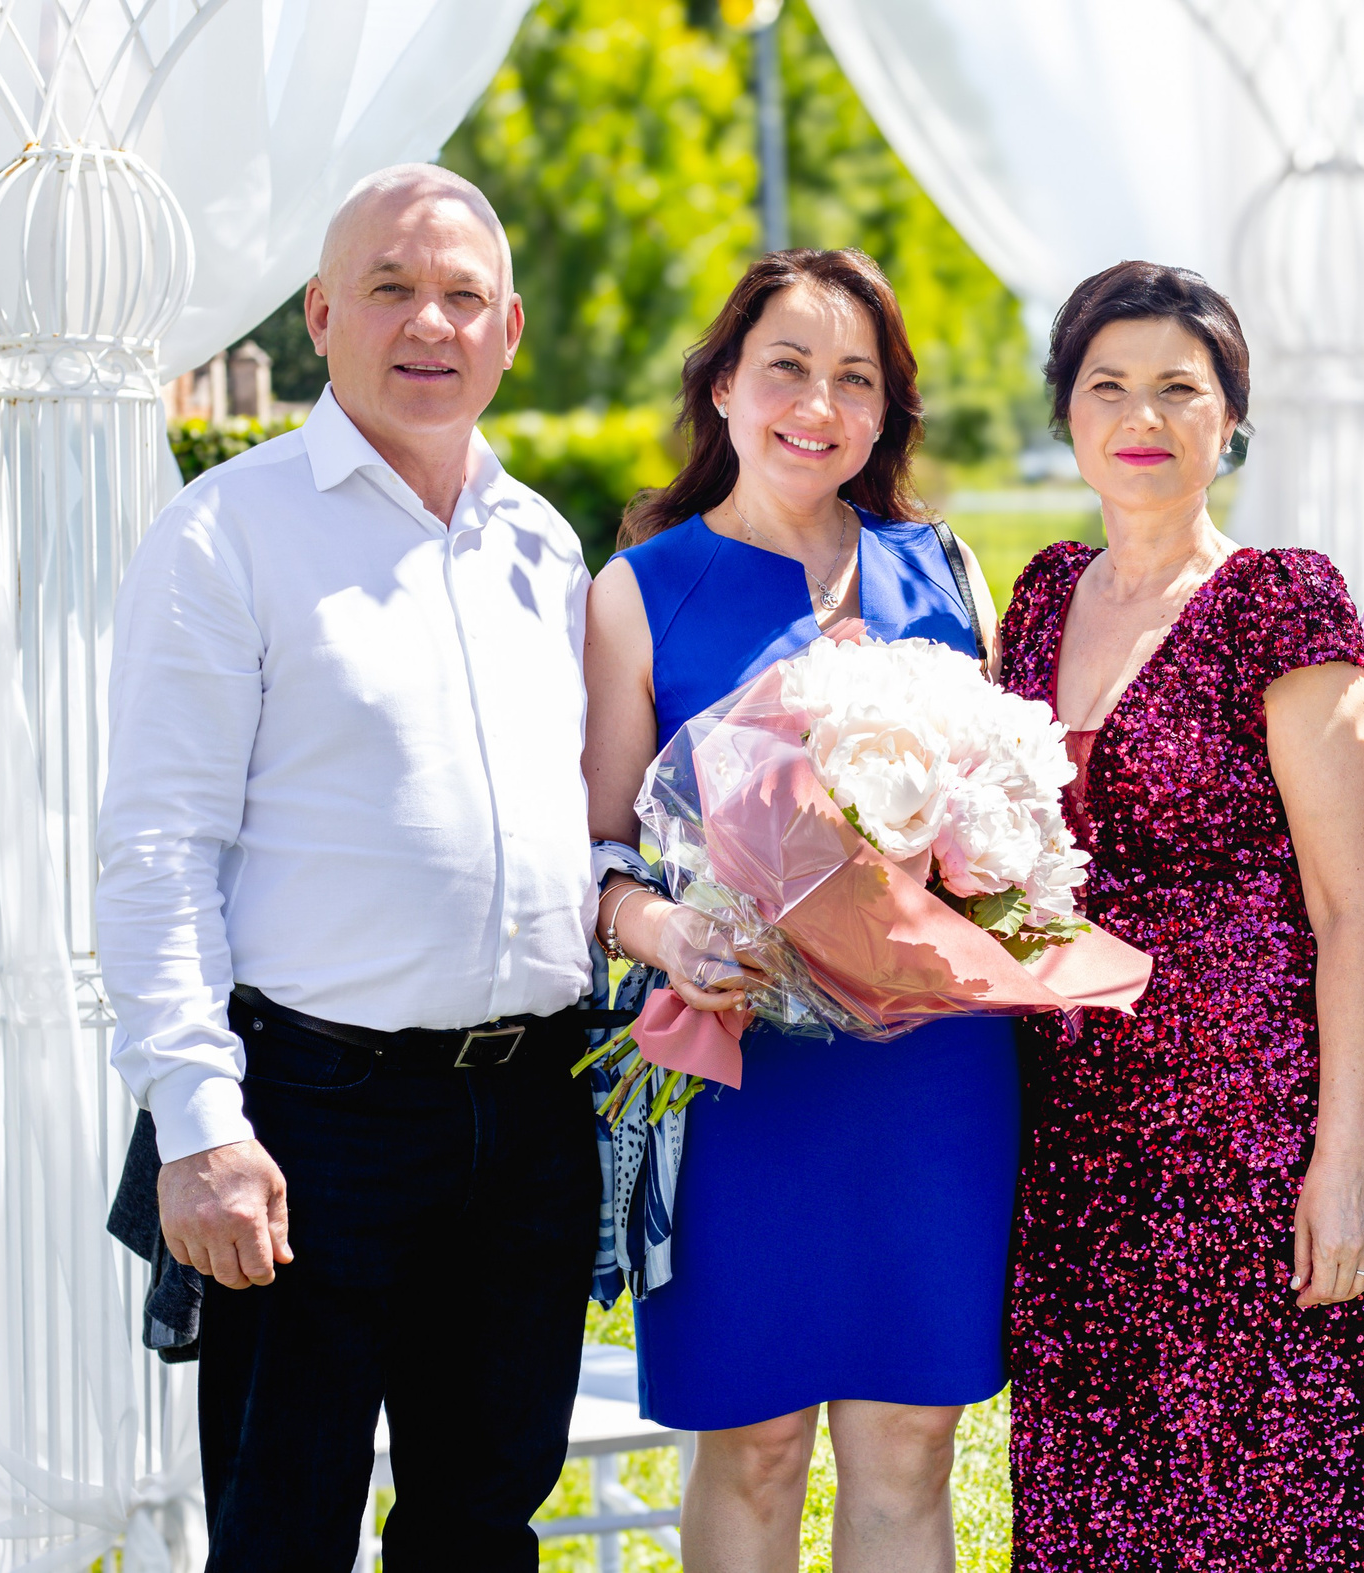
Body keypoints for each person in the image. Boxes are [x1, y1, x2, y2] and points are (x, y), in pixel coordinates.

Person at [96, 165, 608, 1571]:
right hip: (313, 1120)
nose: (427, 323)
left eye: (462, 296)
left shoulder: (542, 543)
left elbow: (576, 811)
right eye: (391, 288)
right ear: (323, 314)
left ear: (510, 332)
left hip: (530, 1110)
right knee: (282, 1529)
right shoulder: (226, 533)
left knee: (481, 1520)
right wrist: (201, 1125)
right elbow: (155, 849)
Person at [580, 248, 1010, 1572]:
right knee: (751, 1443)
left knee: (908, 1443)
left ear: (885, 415)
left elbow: (999, 825)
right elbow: (596, 856)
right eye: (787, 367)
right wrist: (664, 931)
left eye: (855, 378)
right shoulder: (639, 592)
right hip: (740, 1078)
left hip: (930, 1076)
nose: (817, 404)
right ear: (721, 387)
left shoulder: (945, 574)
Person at [994, 260, 1364, 1568]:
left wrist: (1340, 1162)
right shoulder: (1046, 593)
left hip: (1253, 1144)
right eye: (1108, 385)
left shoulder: (1283, 599)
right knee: (1091, 1507)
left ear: (1231, 418)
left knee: (1265, 1511)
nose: (1142, 415)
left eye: (1180, 386)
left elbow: (1348, 910)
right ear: (1067, 414)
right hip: (1078, 1147)